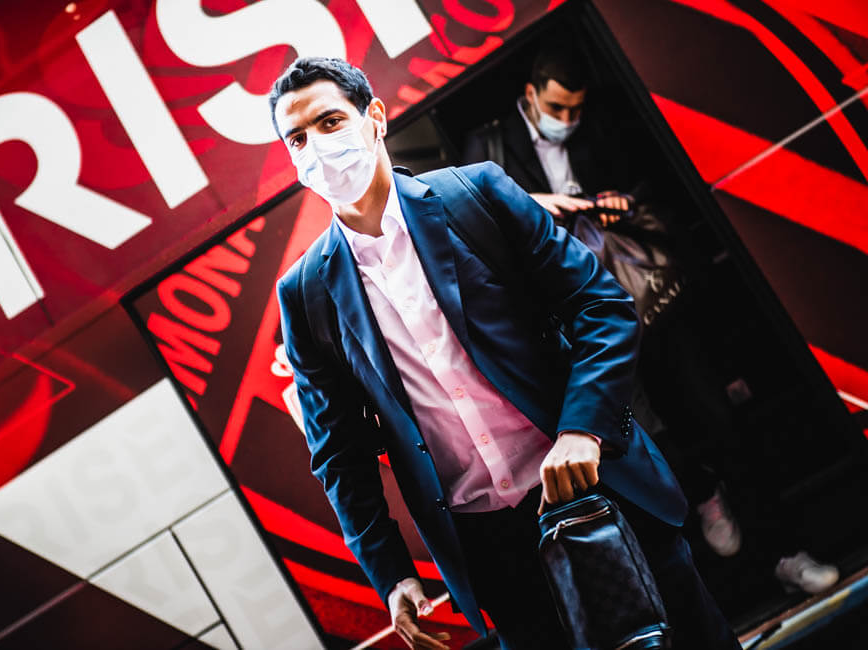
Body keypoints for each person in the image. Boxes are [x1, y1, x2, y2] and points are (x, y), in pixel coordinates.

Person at [271, 56, 741, 649]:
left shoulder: (475, 194)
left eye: (330, 122)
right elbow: (340, 455)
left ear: (377, 118)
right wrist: (391, 575)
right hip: (493, 551)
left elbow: (603, 306)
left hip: (594, 485)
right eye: (297, 138)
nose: (317, 146)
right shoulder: (305, 292)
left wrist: (582, 430)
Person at [460, 44, 840, 596]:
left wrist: (621, 202)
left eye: (575, 109)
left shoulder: (600, 126)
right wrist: (539, 205)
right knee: (637, 443)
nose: (567, 119)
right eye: (557, 108)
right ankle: (704, 515)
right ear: (530, 96)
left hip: (647, 302)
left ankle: (785, 551)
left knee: (718, 420)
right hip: (577, 331)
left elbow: (651, 182)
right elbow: (480, 227)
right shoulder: (488, 148)